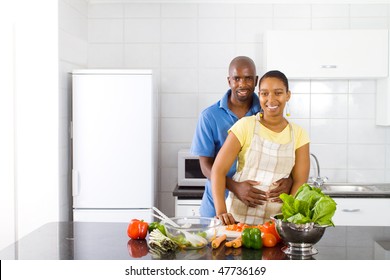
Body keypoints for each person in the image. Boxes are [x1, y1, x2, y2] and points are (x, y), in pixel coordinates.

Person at [191, 57, 293, 218]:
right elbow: (205, 166)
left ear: (256, 80)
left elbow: (286, 150)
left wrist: (290, 180)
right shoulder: (209, 116)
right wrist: (235, 186)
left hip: (255, 209)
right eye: (237, 78)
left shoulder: (267, 108)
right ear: (229, 80)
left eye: (248, 78)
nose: (242, 84)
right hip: (218, 205)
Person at [211, 70, 310, 225]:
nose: (271, 99)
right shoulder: (245, 126)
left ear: (288, 95)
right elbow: (218, 170)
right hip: (238, 221)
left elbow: (299, 181)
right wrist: (221, 212)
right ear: (260, 95)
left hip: (277, 224)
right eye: (265, 93)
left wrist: (289, 217)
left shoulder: (299, 134)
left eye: (278, 93)